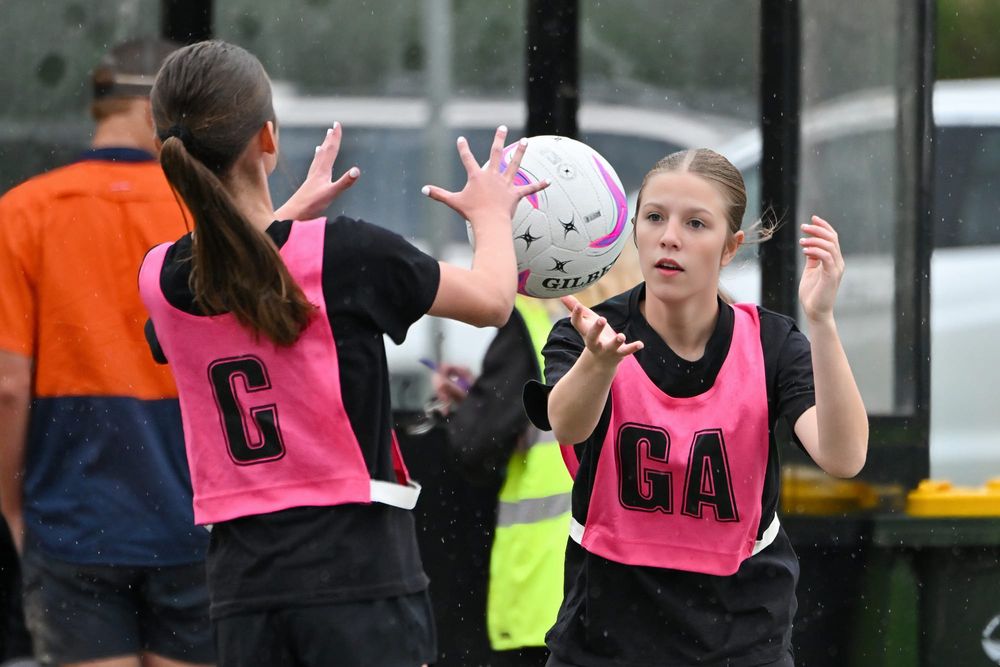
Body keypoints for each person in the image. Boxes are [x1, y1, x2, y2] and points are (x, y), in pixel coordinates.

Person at [137, 40, 546, 667]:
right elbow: (493, 299)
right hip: (357, 579)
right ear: (267, 140)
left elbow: (233, 283)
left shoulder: (161, 279)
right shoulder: (344, 255)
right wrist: (491, 214)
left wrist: (287, 219)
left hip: (242, 590)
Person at [523, 149, 869, 667]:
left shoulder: (770, 342)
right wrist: (597, 364)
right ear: (634, 229)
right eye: (655, 217)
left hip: (740, 640)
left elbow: (844, 457)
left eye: (695, 223)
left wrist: (821, 320)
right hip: (605, 642)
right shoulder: (590, 332)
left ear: (729, 248)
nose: (669, 237)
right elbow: (568, 425)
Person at [0, 38, 218, 667]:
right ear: (162, 110)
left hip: (74, 517)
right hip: (194, 514)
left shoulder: (24, 212)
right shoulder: (205, 215)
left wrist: (14, 507)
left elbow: (9, 385)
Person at [429, 245, 643, 667]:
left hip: (547, 592)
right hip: (635, 589)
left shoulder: (535, 327)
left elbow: (475, 444)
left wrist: (469, 409)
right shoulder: (645, 331)